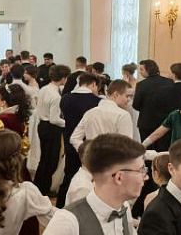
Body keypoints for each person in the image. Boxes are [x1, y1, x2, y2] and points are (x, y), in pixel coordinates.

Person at [56, 71, 102, 203]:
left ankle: (61, 205)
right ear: (94, 85)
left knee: (69, 176)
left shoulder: (65, 98)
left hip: (69, 142)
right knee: (88, 179)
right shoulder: (98, 101)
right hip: (88, 145)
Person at [33, 64, 68, 195]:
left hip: (42, 125)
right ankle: (44, 190)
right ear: (63, 78)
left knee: (44, 159)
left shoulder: (44, 89)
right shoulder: (56, 96)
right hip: (52, 128)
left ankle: (38, 186)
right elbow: (55, 119)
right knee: (51, 161)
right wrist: (69, 123)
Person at [70, 79, 135, 147]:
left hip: (92, 153)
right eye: (127, 96)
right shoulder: (123, 115)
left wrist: (87, 150)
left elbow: (74, 138)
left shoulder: (89, 113)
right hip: (114, 154)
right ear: (116, 95)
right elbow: (127, 146)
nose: (129, 99)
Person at [132, 58, 172, 141]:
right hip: (165, 123)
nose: (140, 72)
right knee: (164, 147)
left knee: (147, 147)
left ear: (148, 70)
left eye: (141, 69)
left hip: (146, 122)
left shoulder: (141, 84)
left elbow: (136, 105)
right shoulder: (169, 82)